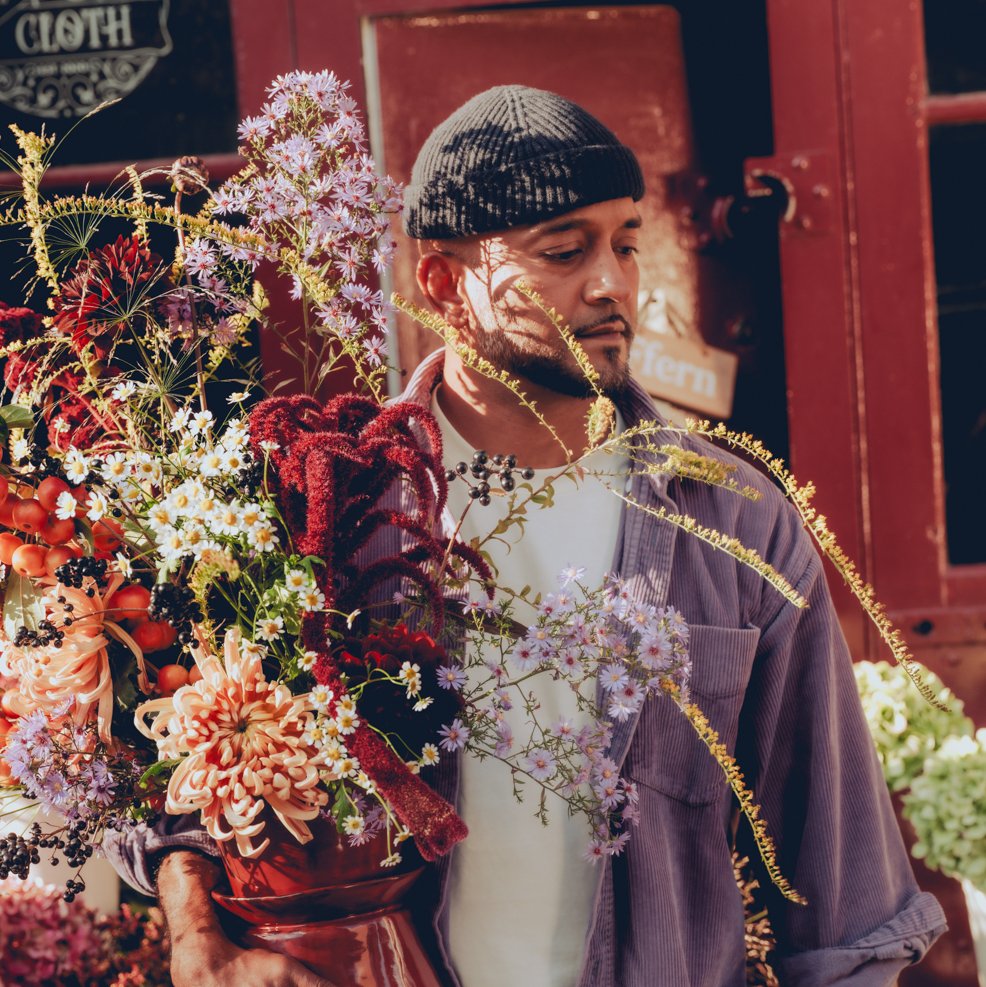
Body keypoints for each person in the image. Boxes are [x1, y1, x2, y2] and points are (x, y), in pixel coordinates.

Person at [105, 85, 946, 986]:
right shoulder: (330, 511)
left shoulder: (733, 519)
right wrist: (202, 943)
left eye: (627, 241)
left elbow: (848, 902)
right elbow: (166, 795)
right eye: (564, 250)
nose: (612, 281)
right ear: (443, 284)